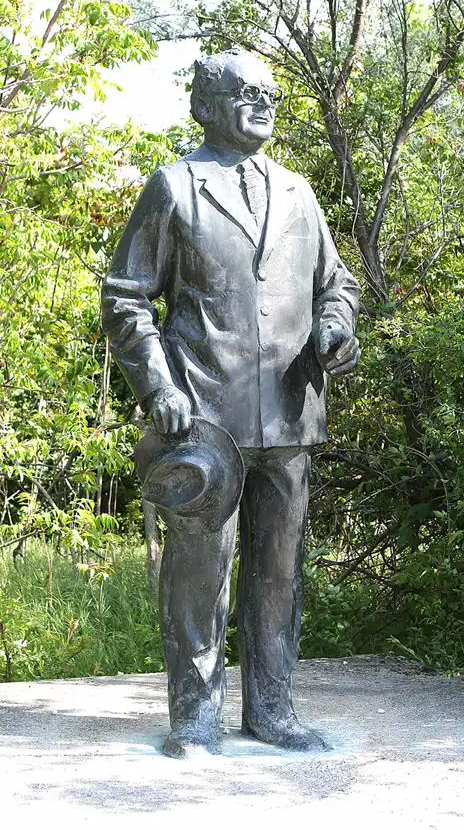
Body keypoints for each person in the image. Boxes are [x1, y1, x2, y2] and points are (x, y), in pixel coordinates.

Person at [101, 48, 360, 758]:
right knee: (198, 574)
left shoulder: (300, 193)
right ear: (205, 105)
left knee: (279, 571)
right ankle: (194, 719)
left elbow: (335, 287)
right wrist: (158, 387)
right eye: (244, 91)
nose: (262, 101)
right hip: (204, 418)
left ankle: (273, 711)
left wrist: (337, 329)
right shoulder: (174, 186)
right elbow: (127, 298)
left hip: (287, 412)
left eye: (270, 91)